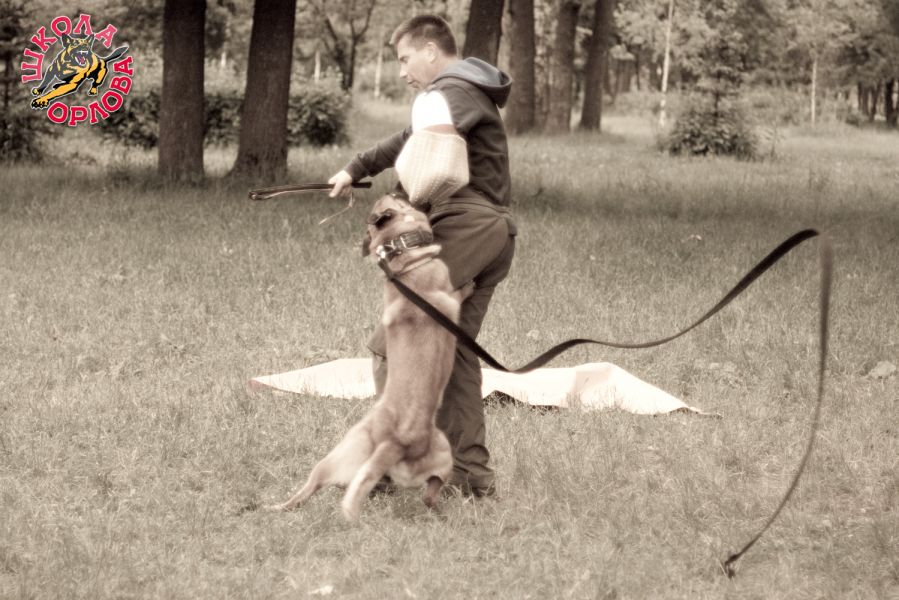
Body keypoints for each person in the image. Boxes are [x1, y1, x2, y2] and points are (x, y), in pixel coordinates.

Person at [329, 15, 516, 498]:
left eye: (404, 58)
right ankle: (470, 479)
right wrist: (356, 167)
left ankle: (390, 468)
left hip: (468, 227)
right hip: (490, 233)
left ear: (431, 50)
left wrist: (389, 213)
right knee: (455, 353)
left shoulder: (452, 90)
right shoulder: (463, 92)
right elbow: (411, 141)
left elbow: (424, 158)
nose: (401, 71)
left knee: (392, 343)